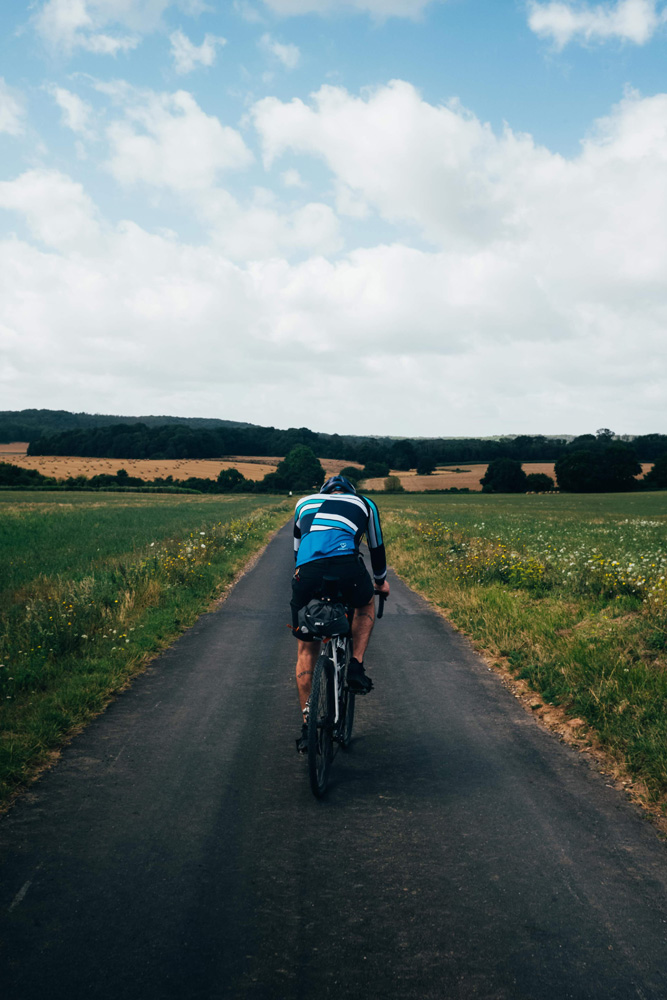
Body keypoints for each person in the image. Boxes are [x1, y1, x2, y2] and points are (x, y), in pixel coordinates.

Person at [290, 474, 390, 753]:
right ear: (349, 491)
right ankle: (355, 666)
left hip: (307, 571)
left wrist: (304, 581)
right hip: (347, 567)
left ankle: (307, 726)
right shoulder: (364, 502)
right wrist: (380, 581)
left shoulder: (304, 502)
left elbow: (297, 551)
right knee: (365, 603)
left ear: (324, 491)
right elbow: (376, 547)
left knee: (305, 650)